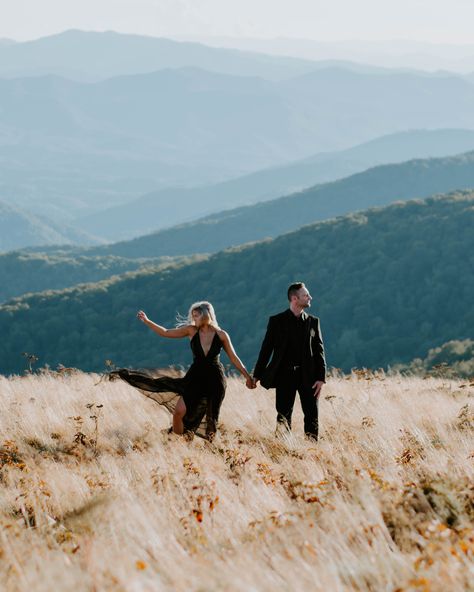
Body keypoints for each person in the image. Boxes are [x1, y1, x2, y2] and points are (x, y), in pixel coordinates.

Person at [112, 301, 254, 440]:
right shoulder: (190, 330)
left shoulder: (221, 335)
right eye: (192, 316)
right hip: (194, 378)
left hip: (215, 380)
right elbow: (165, 332)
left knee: (211, 420)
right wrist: (147, 321)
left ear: (206, 315)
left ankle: (211, 452)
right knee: (178, 413)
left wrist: (247, 376)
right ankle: (178, 445)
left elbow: (234, 358)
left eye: (196, 315)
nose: (193, 318)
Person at [252, 282, 326, 440]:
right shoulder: (276, 321)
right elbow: (266, 350)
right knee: (283, 416)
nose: (310, 297)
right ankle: (282, 450)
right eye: (306, 295)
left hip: (309, 377)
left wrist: (321, 378)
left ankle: (313, 451)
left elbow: (320, 351)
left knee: (312, 415)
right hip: (284, 376)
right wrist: (257, 375)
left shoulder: (313, 322)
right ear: (294, 298)